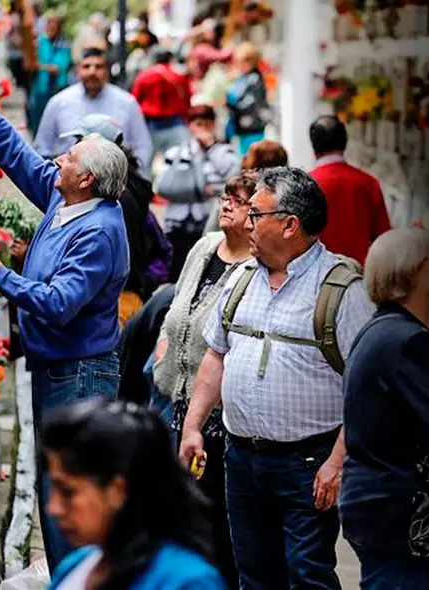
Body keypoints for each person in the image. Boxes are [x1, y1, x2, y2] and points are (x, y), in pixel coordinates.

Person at [0, 80, 131, 572]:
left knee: (71, 492)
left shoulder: (97, 230)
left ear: (88, 179)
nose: (59, 161)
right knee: (54, 487)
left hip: (79, 374)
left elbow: (58, 303)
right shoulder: (68, 201)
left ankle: (79, 580)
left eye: (70, 158)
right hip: (56, 367)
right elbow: (18, 156)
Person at [178, 167, 377, 589]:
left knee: (307, 575)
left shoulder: (342, 290)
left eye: (256, 214)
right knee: (254, 574)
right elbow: (216, 354)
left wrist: (337, 463)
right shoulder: (241, 279)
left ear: (290, 225)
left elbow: (368, 390)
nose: (246, 223)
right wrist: (193, 425)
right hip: (242, 459)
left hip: (309, 464)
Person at [339, 228, 429, 589]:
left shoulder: (380, 330)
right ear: (410, 271)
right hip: (400, 510)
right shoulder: (409, 342)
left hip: (373, 502)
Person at [152, 171, 258, 587]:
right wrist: (163, 349)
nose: (226, 203)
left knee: (215, 523)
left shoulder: (254, 270)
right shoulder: (203, 247)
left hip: (219, 419)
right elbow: (178, 306)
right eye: (226, 196)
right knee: (176, 516)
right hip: (176, 405)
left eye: (239, 199)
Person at [42, 399, 226, 589]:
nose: (53, 508)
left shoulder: (187, 582)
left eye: (68, 492)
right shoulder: (77, 565)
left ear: (117, 490)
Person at [59, 113, 173, 323]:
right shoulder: (130, 187)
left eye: (79, 143)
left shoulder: (116, 196)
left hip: (114, 305)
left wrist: (140, 285)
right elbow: (162, 248)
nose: (69, 153)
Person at [33, 45, 154, 174]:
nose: (92, 72)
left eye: (98, 66)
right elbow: (42, 148)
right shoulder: (58, 102)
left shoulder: (127, 102)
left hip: (117, 185)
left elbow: (143, 146)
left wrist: (134, 181)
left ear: (107, 70)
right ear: (78, 70)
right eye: (86, 66)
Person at [155, 104, 241, 283]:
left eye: (207, 124)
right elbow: (163, 186)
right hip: (178, 224)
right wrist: (200, 191)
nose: (203, 129)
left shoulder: (224, 152)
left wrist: (211, 147)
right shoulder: (177, 153)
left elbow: (234, 177)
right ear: (190, 126)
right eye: (198, 124)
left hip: (209, 222)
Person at [308, 115, 392, 265]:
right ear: (345, 143)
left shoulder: (305, 184)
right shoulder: (368, 183)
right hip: (359, 276)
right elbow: (384, 241)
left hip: (316, 277)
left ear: (314, 147)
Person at [202, 139, 288, 234]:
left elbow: (210, 230)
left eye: (248, 156)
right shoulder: (285, 194)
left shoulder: (241, 190)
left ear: (259, 163)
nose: (244, 158)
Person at [131, 47, 193, 158]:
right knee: (179, 161)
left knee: (145, 162)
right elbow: (187, 98)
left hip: (150, 125)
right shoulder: (178, 75)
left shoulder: (145, 75)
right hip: (176, 123)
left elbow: (135, 100)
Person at [27, 11, 71, 138]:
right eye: (49, 23)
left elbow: (57, 68)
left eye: (54, 24)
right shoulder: (40, 42)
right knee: (37, 119)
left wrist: (40, 66)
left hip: (57, 88)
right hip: (40, 88)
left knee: (56, 120)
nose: (51, 27)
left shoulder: (63, 44)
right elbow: (30, 63)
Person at [225, 42, 271, 156]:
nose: (239, 65)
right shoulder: (243, 78)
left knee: (251, 161)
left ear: (251, 61)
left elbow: (249, 103)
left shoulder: (254, 79)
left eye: (242, 61)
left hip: (252, 129)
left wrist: (229, 102)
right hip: (241, 129)